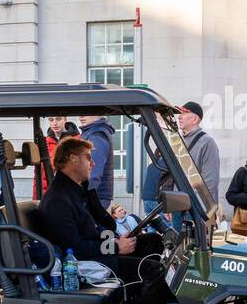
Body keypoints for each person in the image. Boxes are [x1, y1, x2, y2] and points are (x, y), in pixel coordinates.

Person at [35, 136, 161, 283]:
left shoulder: (79, 192)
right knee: (153, 269)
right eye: (88, 158)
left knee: (153, 240)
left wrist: (115, 239)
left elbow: (102, 227)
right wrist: (114, 247)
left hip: (99, 253)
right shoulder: (58, 200)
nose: (93, 163)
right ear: (73, 159)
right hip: (86, 265)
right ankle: (139, 302)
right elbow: (75, 249)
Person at [176, 102, 221, 206]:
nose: (179, 117)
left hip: (196, 207)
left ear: (195, 119)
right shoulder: (179, 141)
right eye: (179, 113)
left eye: (184, 113)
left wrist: (194, 206)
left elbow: (210, 182)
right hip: (178, 204)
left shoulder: (207, 142)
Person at [78, 114, 116, 206]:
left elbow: (93, 172)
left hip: (94, 196)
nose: (81, 117)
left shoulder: (96, 135)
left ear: (98, 114)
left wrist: (82, 198)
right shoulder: (90, 132)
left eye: (87, 113)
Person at [33, 116, 65, 199]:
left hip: (68, 196)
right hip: (48, 196)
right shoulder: (44, 144)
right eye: (51, 120)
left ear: (65, 119)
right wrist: (35, 199)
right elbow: (38, 175)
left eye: (58, 119)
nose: (55, 123)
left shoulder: (76, 141)